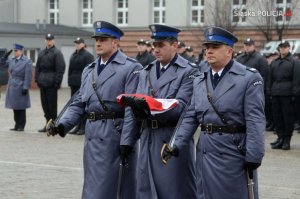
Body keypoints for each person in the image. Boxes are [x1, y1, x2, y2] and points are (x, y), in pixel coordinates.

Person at [163, 27, 265, 198]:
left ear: (229, 51)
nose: (209, 51)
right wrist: (175, 144)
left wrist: (254, 154)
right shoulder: (199, 80)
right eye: (207, 47)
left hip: (233, 152)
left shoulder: (248, 78)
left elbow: (255, 120)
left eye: (215, 47)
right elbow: (190, 116)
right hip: (206, 151)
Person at [47, 21, 142, 199]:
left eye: (103, 39)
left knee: (114, 189)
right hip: (92, 135)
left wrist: (127, 141)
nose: (98, 43)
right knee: (92, 186)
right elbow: (80, 103)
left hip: (114, 135)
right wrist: (63, 125)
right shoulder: (89, 70)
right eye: (96, 39)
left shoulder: (131, 68)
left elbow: (132, 109)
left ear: (115, 42)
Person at [120, 24, 198, 199]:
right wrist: (127, 141)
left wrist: (148, 106)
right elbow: (134, 107)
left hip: (171, 138)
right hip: (148, 137)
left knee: (173, 191)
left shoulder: (189, 71)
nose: (156, 49)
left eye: (161, 45)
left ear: (175, 46)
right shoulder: (145, 72)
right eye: (154, 45)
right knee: (146, 190)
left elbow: (183, 107)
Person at [268, 41, 300, 150]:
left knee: (287, 118)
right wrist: (269, 91)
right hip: (276, 92)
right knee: (277, 117)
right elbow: (270, 78)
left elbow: (296, 79)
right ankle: (280, 138)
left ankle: (287, 140)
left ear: (289, 48)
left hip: (287, 93)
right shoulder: (275, 62)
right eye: (281, 47)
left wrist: (294, 93)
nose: (283, 49)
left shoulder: (294, 61)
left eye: (285, 47)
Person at [35, 33, 66, 132]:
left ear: (53, 41)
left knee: (52, 106)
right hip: (42, 82)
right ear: (45, 41)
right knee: (45, 106)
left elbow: (60, 68)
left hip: (51, 83)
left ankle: (53, 126)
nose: (48, 41)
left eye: (50, 39)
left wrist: (57, 82)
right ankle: (47, 124)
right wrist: (37, 79)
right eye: (47, 39)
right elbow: (38, 67)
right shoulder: (41, 53)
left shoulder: (57, 53)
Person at [67, 37, 94, 135]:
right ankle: (77, 126)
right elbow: (70, 70)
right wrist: (69, 80)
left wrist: (87, 83)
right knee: (75, 105)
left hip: (83, 84)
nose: (77, 45)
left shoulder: (88, 55)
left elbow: (90, 71)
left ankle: (83, 126)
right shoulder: (73, 55)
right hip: (74, 83)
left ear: (83, 44)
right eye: (76, 43)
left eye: (79, 43)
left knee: (83, 105)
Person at [2, 44, 32, 131]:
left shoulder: (27, 61)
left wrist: (26, 87)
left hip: (21, 85)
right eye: (14, 51)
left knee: (21, 107)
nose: (15, 52)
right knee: (14, 106)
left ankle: (21, 125)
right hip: (12, 85)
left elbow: (28, 75)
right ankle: (16, 124)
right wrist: (4, 57)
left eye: (16, 51)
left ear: (21, 51)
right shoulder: (12, 60)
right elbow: (2, 65)